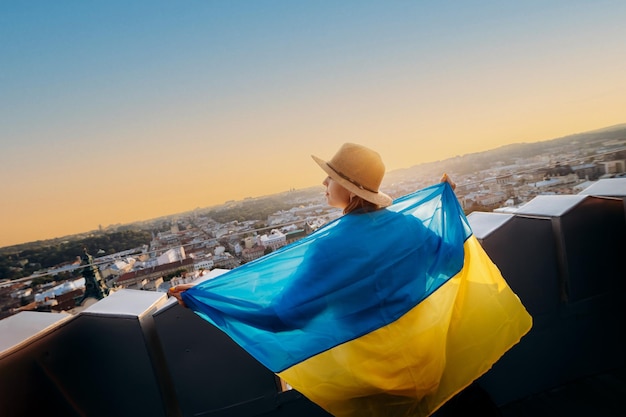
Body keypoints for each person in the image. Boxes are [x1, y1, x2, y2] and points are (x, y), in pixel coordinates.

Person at [168, 143, 455, 305]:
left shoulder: (328, 247)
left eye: (332, 177)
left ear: (352, 191)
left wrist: (207, 298)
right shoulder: (409, 227)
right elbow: (451, 259)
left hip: (373, 375)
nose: (324, 182)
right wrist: (449, 207)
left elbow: (283, 313)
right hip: (427, 357)